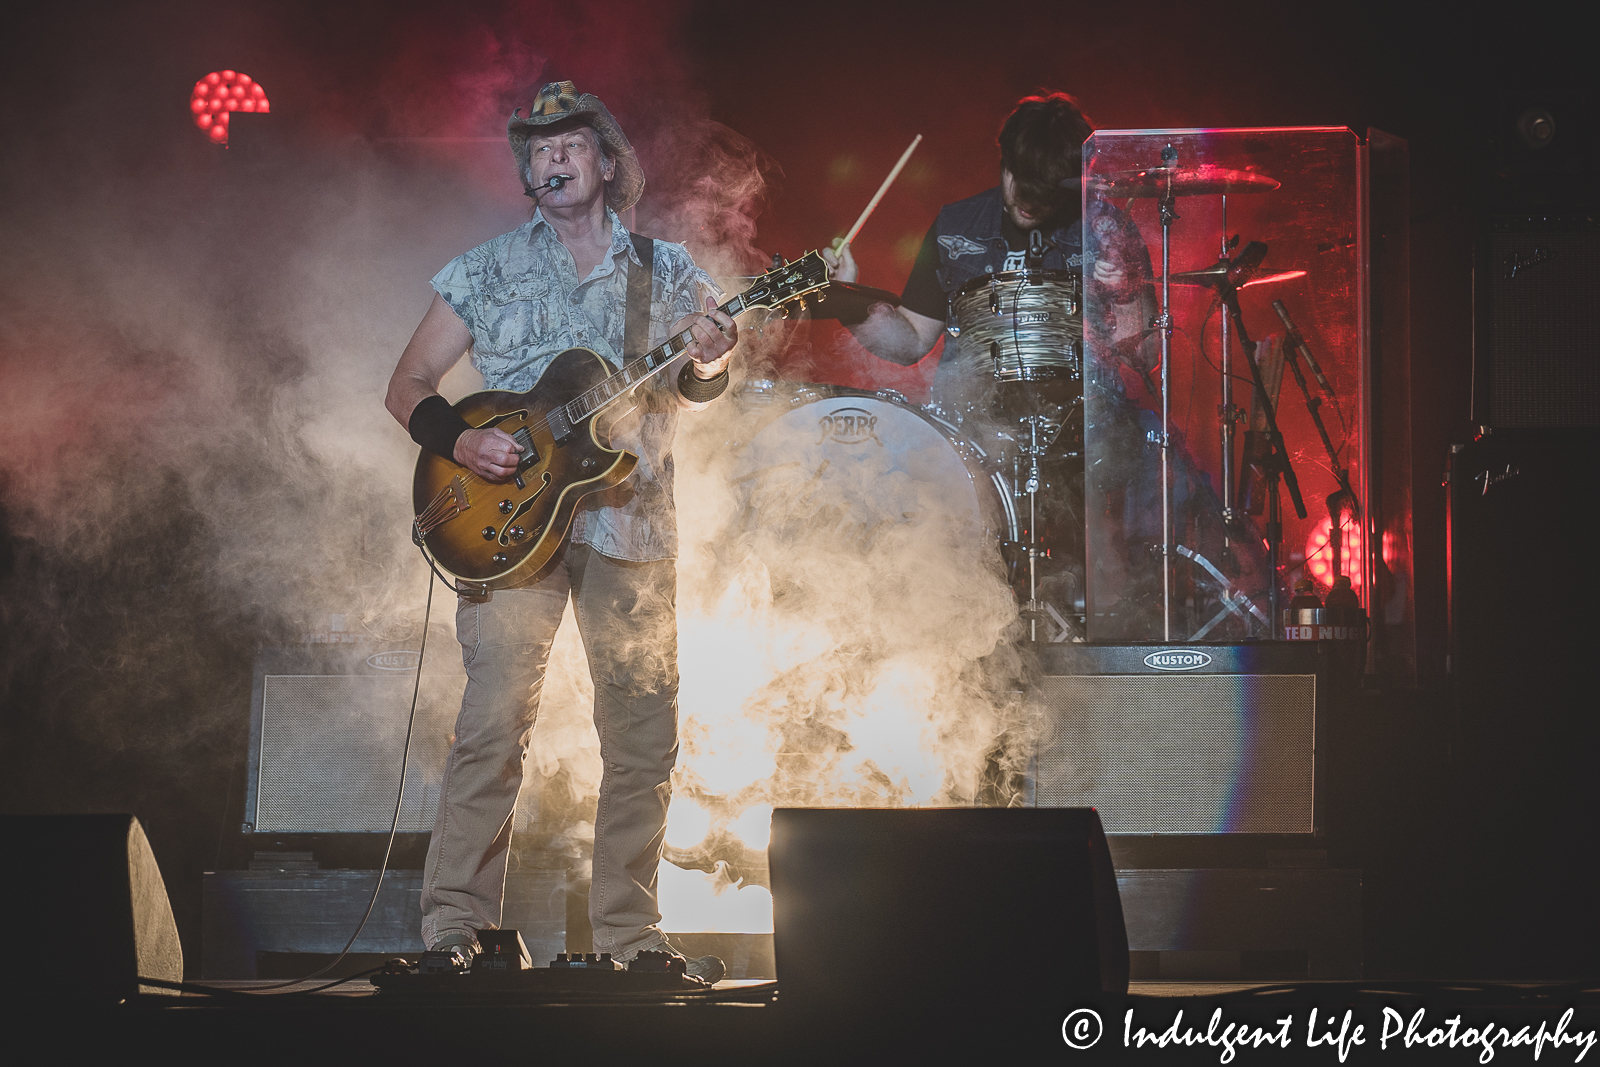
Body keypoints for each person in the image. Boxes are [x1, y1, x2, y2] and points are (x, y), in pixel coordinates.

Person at [384, 81, 737, 979]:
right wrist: (463, 438)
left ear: (606, 162)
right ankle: (454, 932)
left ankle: (631, 936)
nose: (551, 156)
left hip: (632, 524)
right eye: (537, 148)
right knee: (493, 724)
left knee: (640, 734)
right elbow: (408, 385)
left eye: (571, 142)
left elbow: (696, 390)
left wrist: (708, 360)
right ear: (527, 173)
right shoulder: (485, 267)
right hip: (505, 528)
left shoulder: (667, 271)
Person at [821, 91, 1156, 416]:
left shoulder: (1108, 230)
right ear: (1004, 162)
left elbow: (1145, 356)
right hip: (976, 430)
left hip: (1087, 429)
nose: (1028, 202)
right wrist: (848, 297)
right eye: (1020, 182)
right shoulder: (957, 225)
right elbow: (911, 343)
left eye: (1044, 193)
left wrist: (1125, 292)